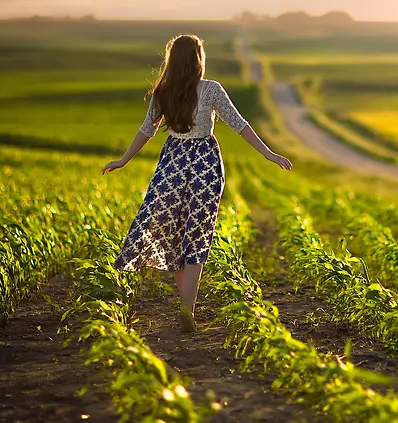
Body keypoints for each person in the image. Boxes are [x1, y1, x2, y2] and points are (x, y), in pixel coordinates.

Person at [102, 34, 292, 332]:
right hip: (205, 164)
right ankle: (187, 312)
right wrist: (268, 153)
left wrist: (123, 160)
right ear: (197, 59)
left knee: (174, 233)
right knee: (197, 233)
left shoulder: (163, 91)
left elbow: (145, 131)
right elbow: (239, 124)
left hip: (173, 164)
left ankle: (185, 309)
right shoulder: (211, 89)